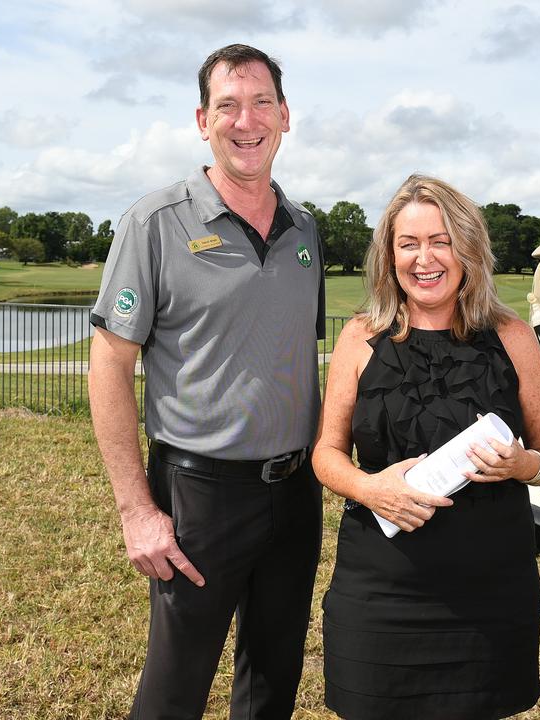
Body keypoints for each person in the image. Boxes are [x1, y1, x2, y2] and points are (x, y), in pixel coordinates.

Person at [87, 43, 325, 720]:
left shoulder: (305, 229)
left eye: (261, 104)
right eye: (228, 105)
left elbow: (290, 359)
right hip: (200, 494)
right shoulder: (154, 223)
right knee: (175, 687)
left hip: (295, 493)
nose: (245, 121)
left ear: (285, 117)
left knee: (272, 680)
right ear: (202, 120)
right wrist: (137, 511)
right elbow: (109, 365)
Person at [312, 174, 540, 720]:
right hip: (380, 590)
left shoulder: (512, 336)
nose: (424, 258)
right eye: (408, 243)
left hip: (490, 591)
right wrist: (370, 488)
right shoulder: (360, 336)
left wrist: (524, 464)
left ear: (468, 250)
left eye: (441, 241)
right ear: (389, 255)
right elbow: (325, 454)